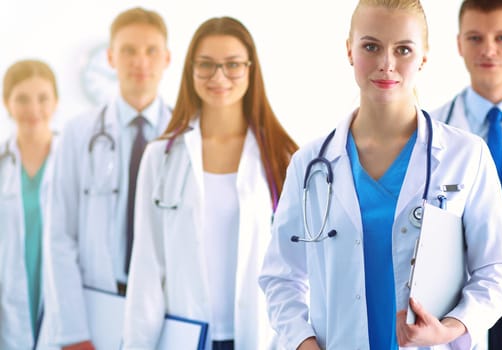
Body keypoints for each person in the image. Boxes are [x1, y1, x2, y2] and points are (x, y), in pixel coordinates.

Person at [258, 0, 502, 349]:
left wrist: (452, 327)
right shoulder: (309, 164)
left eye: (404, 50)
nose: (386, 64)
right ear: (349, 50)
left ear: (424, 57)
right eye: (371, 46)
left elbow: (497, 267)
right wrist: (303, 342)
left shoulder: (465, 156)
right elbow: (280, 277)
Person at [122, 16, 298, 350]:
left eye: (232, 65)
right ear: (190, 70)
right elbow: (146, 267)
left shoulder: (283, 157)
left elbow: (300, 269)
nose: (219, 77)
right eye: (206, 65)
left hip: (262, 336)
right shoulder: (161, 157)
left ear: (250, 70)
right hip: (185, 336)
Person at [44, 7, 171, 350]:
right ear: (111, 57)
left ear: (167, 59)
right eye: (128, 50)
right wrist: (73, 331)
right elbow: (59, 237)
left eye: (151, 50)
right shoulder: (78, 132)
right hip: (96, 304)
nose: (140, 61)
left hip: (165, 311)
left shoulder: (185, 135)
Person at [431, 1, 502, 349]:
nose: (488, 49)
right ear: (458, 44)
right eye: (475, 37)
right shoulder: (427, 136)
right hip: (450, 323)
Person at [0, 60, 59, 349]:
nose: (33, 109)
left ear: (56, 102)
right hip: (8, 286)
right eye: (22, 98)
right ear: (6, 102)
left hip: (58, 285)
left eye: (43, 98)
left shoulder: (71, 161)